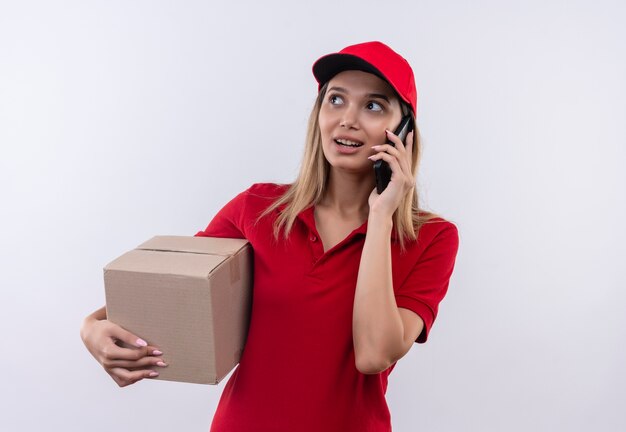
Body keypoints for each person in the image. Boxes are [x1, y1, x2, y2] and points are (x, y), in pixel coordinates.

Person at [80, 41, 459, 431]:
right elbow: (173, 289)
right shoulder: (256, 209)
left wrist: (381, 216)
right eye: (336, 99)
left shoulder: (432, 239)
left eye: (373, 106)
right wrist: (91, 327)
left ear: (405, 131)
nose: (348, 119)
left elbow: (374, 354)